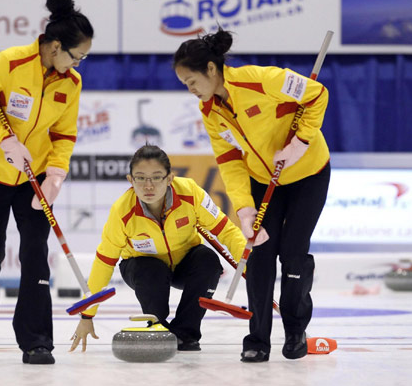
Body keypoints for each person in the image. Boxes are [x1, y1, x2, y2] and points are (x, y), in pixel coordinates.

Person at [173, 28, 331, 362]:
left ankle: (295, 331)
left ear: (211, 71)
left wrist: (299, 143)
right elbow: (230, 161)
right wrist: (244, 210)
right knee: (259, 255)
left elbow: (317, 94)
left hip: (308, 174)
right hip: (263, 180)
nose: (189, 90)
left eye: (191, 81)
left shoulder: (259, 80)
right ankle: (258, 337)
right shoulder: (210, 112)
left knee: (293, 253)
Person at [0, 0, 93, 365]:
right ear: (54, 46)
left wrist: (56, 172)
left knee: (36, 253)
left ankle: (36, 340)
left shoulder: (71, 84)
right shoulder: (10, 63)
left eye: (84, 57)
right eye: (76, 55)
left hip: (33, 179)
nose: (79, 63)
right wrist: (3, 140)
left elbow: (64, 134)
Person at [69, 145, 268, 352]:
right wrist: (87, 315)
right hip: (142, 269)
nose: (148, 186)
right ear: (130, 180)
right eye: (140, 178)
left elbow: (227, 232)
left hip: (184, 263)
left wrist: (252, 270)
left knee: (208, 261)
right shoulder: (122, 211)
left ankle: (186, 334)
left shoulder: (190, 193)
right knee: (151, 270)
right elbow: (104, 261)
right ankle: (158, 328)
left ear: (170, 178)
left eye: (156, 177)